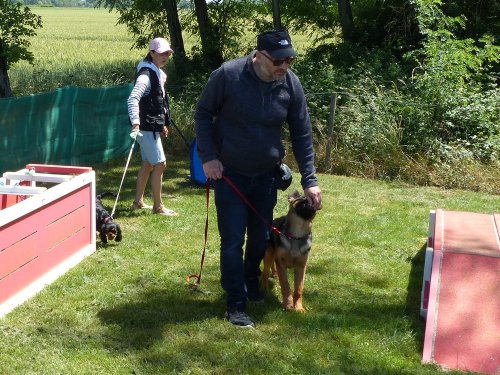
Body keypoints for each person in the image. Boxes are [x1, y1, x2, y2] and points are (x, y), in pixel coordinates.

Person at [194, 29, 322, 328]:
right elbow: (202, 113)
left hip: (266, 177)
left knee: (259, 240)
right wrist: (209, 157)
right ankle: (235, 302)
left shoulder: (290, 83)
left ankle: (251, 279)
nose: (284, 66)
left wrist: (310, 180)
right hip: (230, 175)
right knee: (233, 240)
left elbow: (302, 132)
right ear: (259, 56)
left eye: (289, 60)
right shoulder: (228, 75)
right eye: (278, 61)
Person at [127, 37, 178, 216]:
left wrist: (162, 123)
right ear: (152, 53)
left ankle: (138, 202)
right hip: (145, 127)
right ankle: (158, 207)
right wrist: (135, 122)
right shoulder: (146, 75)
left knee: (148, 163)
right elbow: (133, 98)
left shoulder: (156, 71)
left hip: (151, 125)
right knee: (160, 164)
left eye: (168, 53)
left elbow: (158, 102)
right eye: (162, 53)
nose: (165, 56)